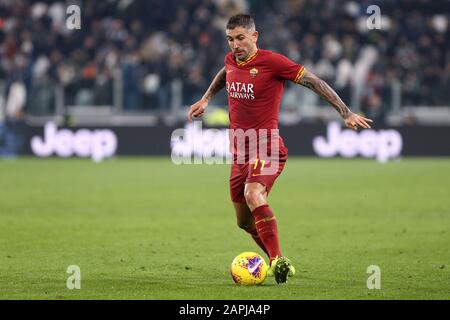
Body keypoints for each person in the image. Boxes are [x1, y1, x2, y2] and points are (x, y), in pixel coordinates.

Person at [187, 14, 373, 284]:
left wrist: (345, 113)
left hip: (268, 146)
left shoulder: (273, 62)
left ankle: (276, 259)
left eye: (240, 38)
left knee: (253, 194)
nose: (235, 44)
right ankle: (278, 262)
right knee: (243, 222)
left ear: (255, 36)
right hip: (240, 151)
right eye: (230, 39)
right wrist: (205, 98)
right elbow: (225, 73)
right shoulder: (232, 60)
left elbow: (315, 82)